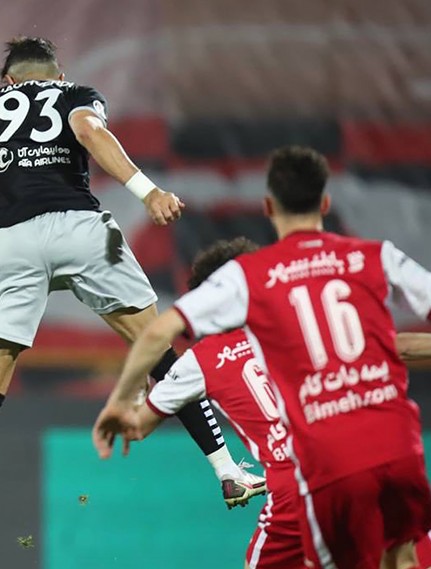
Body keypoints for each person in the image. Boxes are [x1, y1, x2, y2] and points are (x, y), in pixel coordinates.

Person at [0, 36, 259, 564]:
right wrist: (148, 191)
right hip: (82, 230)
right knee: (160, 352)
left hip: (11, 241)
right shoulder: (75, 93)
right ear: (58, 75)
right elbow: (88, 132)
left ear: (8, 80)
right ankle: (228, 471)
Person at [95, 146, 431, 569]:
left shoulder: (247, 295)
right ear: (326, 203)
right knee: (401, 557)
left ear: (269, 207)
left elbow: (157, 339)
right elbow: (395, 345)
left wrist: (124, 402)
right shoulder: (360, 265)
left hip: (312, 474)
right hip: (394, 445)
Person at [135, 237, 431, 569]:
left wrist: (134, 391)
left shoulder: (203, 359)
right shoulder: (304, 324)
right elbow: (399, 346)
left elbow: (135, 425)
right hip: (368, 460)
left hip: (297, 484)